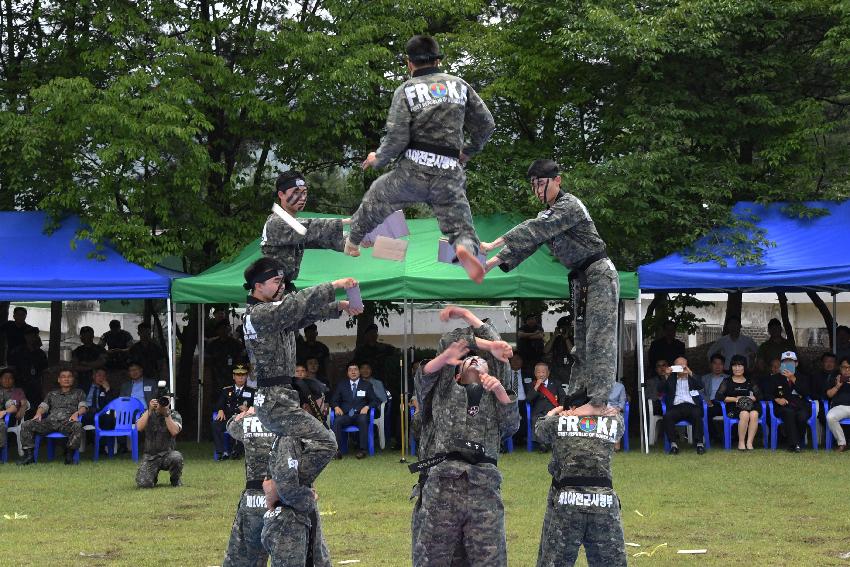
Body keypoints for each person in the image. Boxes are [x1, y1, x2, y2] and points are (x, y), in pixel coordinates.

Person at [347, 34, 496, 283]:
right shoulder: (459, 85)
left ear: (409, 63)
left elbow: (396, 137)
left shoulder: (406, 90)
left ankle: (353, 242)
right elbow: (487, 124)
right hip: (449, 171)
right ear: (437, 60)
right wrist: (468, 151)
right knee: (459, 224)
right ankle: (465, 249)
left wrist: (378, 159)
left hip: (413, 171)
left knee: (377, 195)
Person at [483, 159, 618, 417]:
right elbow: (530, 241)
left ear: (558, 181)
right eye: (533, 185)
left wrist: (492, 244)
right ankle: (578, 399)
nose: (537, 191)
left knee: (598, 340)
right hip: (581, 280)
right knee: (580, 342)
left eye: (541, 184)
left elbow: (535, 228)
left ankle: (599, 402)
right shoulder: (551, 214)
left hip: (599, 273)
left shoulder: (569, 206)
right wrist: (487, 265)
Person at [411, 305, 517, 566]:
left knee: (489, 559)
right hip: (442, 486)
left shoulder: (495, 396)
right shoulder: (443, 393)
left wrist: (502, 394)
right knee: (433, 558)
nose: (475, 359)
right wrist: (465, 320)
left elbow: (511, 426)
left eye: (482, 359)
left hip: (483, 487)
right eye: (469, 358)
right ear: (456, 373)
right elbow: (433, 365)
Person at [241, 256, 358, 485]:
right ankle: (285, 487)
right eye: (276, 281)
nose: (281, 286)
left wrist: (339, 307)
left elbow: (302, 315)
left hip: (279, 398)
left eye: (282, 281)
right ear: (258, 285)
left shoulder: (269, 315)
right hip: (276, 401)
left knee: (292, 447)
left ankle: (280, 484)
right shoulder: (260, 314)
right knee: (327, 442)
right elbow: (296, 304)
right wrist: (334, 286)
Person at [534, 401, 626, 567]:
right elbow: (619, 426)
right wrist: (606, 411)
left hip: (567, 500)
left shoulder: (558, 422)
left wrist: (554, 413)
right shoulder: (614, 422)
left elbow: (540, 430)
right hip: (603, 501)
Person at [261, 170, 349, 284]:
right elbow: (309, 227)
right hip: (269, 292)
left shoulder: (293, 225)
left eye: (304, 192)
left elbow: (322, 238)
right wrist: (345, 221)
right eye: (296, 192)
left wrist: (354, 240)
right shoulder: (276, 223)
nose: (302, 197)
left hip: (282, 288)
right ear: (281, 194)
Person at [222, 406, 274, 567]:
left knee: (244, 556)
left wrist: (246, 414)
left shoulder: (249, 421)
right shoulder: (291, 420)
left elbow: (231, 426)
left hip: (253, 497)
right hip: (285, 494)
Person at [18, 369, 87, 465]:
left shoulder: (79, 393)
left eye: (69, 376)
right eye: (63, 376)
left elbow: (83, 407)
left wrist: (77, 413)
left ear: (73, 379)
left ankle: (69, 456)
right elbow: (43, 406)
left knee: (78, 426)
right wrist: (38, 413)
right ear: (59, 380)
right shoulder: (52, 394)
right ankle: (29, 456)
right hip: (50, 422)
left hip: (67, 422)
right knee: (26, 424)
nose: (66, 379)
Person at [330, 363, 380, 459]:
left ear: (359, 372)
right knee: (337, 421)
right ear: (347, 373)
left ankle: (362, 450)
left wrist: (367, 407)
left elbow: (375, 400)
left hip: (360, 414)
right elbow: (334, 400)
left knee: (363, 420)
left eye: (355, 369)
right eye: (350, 370)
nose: (353, 372)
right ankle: (337, 450)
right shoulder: (341, 385)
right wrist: (336, 407)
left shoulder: (366, 385)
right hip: (346, 415)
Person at [714, 355, 762, 451]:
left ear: (744, 367)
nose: (737, 368)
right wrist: (736, 399)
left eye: (740, 366)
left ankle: (749, 442)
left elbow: (760, 396)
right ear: (731, 367)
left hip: (748, 405)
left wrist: (748, 397)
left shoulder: (749, 381)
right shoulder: (727, 381)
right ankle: (741, 442)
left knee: (754, 414)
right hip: (733, 408)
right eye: (734, 366)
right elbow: (718, 396)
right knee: (744, 414)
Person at [660, 356, 705, 455]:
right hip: (676, 406)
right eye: (678, 365)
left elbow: (701, 386)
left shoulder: (692, 377)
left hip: (691, 405)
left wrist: (690, 373)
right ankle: (673, 445)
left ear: (687, 365)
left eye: (683, 365)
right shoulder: (671, 378)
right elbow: (661, 389)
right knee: (667, 416)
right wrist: (666, 376)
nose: (681, 367)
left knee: (697, 414)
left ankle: (699, 444)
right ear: (674, 366)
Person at [767, 351, 811, 452]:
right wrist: (776, 399)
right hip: (783, 406)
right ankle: (795, 445)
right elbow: (767, 394)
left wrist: (793, 378)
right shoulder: (775, 378)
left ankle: (797, 443)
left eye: (790, 362)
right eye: (785, 362)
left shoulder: (803, 377)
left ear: (796, 364)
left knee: (802, 416)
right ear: (781, 364)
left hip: (800, 406)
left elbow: (806, 393)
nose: (787, 365)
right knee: (789, 412)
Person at [135, 394, 183, 487]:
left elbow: (174, 431)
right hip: (150, 456)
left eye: (167, 401)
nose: (164, 403)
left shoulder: (174, 414)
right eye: (162, 400)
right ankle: (152, 477)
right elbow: (138, 428)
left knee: (177, 457)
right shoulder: (148, 413)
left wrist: (166, 414)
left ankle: (175, 480)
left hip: (167, 454)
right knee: (144, 484)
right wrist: (149, 410)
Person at [213, 364, 256, 460]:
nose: (240, 377)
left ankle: (237, 452)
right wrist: (220, 410)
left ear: (246, 376)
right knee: (216, 424)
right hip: (228, 418)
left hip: (243, 419)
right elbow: (219, 403)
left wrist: (248, 409)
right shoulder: (226, 390)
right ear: (233, 376)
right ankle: (221, 452)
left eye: (243, 375)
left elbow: (256, 407)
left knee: (245, 428)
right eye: (238, 375)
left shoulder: (252, 391)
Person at [526, 362, 565, 451]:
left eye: (543, 372)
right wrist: (536, 387)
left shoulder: (556, 384)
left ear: (548, 373)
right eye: (538, 372)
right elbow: (528, 399)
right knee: (537, 420)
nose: (541, 374)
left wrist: (562, 408)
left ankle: (555, 443)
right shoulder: (531, 385)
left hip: (553, 411)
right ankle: (542, 444)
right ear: (535, 374)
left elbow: (563, 397)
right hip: (538, 412)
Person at [7, 326, 47, 412]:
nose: (33, 338)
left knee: (34, 411)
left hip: (35, 388)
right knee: (17, 411)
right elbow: (10, 370)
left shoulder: (41, 354)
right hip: (19, 386)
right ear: (26, 337)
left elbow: (44, 373)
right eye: (31, 335)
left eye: (35, 335)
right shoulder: (17, 351)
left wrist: (43, 389)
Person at [207, 320, 246, 391]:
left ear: (229, 329)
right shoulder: (213, 345)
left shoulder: (236, 344)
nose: (223, 331)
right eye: (221, 329)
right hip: (217, 377)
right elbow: (209, 360)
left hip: (231, 377)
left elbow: (241, 360)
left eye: (225, 328)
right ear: (217, 331)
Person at [825, 356, 850, 452]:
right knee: (830, 417)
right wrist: (837, 386)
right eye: (844, 367)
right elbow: (829, 394)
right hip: (840, 407)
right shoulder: (834, 377)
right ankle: (842, 444)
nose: (847, 370)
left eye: (849, 367)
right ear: (840, 368)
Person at [71, 326, 107, 392]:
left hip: (99, 382)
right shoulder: (77, 350)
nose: (85, 337)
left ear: (92, 336)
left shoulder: (100, 349)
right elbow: (75, 366)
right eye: (83, 335)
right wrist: (91, 367)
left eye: (88, 335)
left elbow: (102, 362)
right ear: (81, 337)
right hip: (82, 381)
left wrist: (85, 364)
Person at [0, 368, 28, 454]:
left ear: (14, 380)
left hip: (9, 418)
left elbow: (22, 404)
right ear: (0, 380)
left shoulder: (17, 391)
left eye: (10, 378)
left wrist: (21, 410)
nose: (7, 380)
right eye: (4, 377)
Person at [544, 315, 574, 384]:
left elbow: (573, 352)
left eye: (567, 327)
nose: (565, 330)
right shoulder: (556, 339)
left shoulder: (573, 339)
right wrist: (554, 335)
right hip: (556, 372)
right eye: (563, 328)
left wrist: (566, 338)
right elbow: (545, 350)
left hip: (570, 371)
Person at [508, 354, 530, 445]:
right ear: (509, 362)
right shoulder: (505, 374)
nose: (516, 361)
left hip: (524, 401)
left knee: (527, 416)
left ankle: (522, 438)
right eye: (513, 360)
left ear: (522, 361)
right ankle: (510, 439)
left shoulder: (528, 373)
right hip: (509, 401)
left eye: (518, 359)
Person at [701, 354, 728, 423]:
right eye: (715, 363)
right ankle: (712, 434)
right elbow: (700, 391)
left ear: (724, 366)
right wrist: (707, 400)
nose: (718, 366)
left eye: (720, 364)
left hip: (726, 403)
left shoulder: (729, 378)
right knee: (706, 413)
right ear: (710, 365)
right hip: (711, 403)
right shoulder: (704, 378)